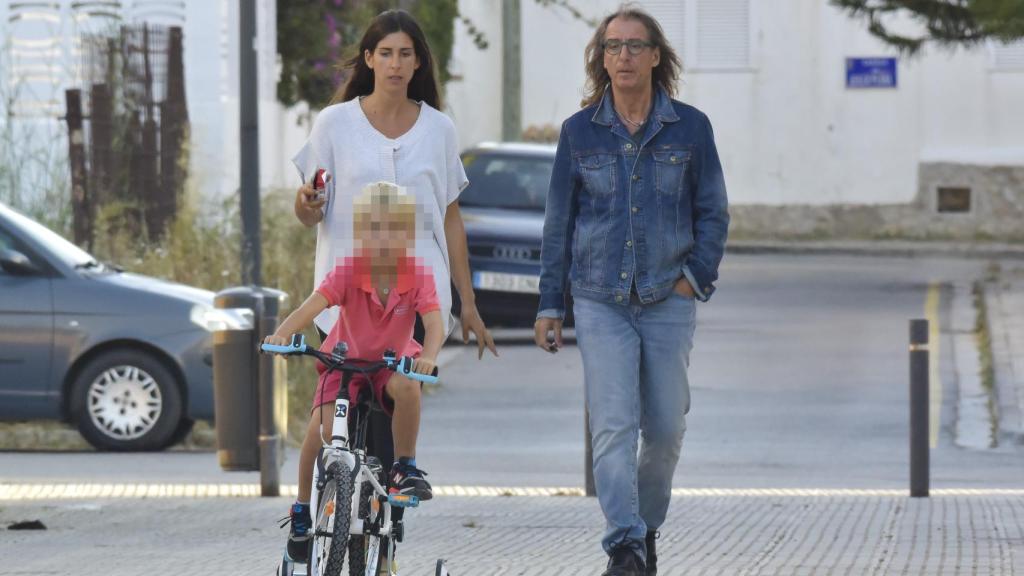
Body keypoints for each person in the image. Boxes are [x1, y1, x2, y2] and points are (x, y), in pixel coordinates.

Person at [286, 8, 498, 565]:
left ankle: (387, 526)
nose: (397, 64)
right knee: (335, 420)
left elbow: (449, 217)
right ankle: (322, 508)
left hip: (416, 298)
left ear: (419, 62)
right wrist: (305, 205)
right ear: (368, 59)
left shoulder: (439, 128)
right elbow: (309, 208)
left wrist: (467, 302)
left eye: (407, 54)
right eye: (386, 53)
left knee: (395, 402)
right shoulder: (335, 124)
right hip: (348, 297)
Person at [534, 5, 730, 576]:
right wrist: (550, 304)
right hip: (599, 299)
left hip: (668, 298)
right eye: (612, 46)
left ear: (655, 57)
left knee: (666, 428)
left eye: (634, 46)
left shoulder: (691, 128)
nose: (623, 56)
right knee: (613, 426)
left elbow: (713, 212)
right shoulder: (579, 133)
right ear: (602, 59)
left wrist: (693, 279)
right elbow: (558, 223)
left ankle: (643, 530)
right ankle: (624, 543)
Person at [268, 182, 443, 562]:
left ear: (409, 234)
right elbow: (312, 306)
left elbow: (434, 324)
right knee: (322, 430)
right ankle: (301, 506)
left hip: (389, 363)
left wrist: (428, 355)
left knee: (409, 388)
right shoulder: (349, 270)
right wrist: (283, 334)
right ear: (361, 233)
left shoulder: (417, 274)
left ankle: (404, 468)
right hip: (346, 363)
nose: (385, 238)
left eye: (395, 229)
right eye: (375, 228)